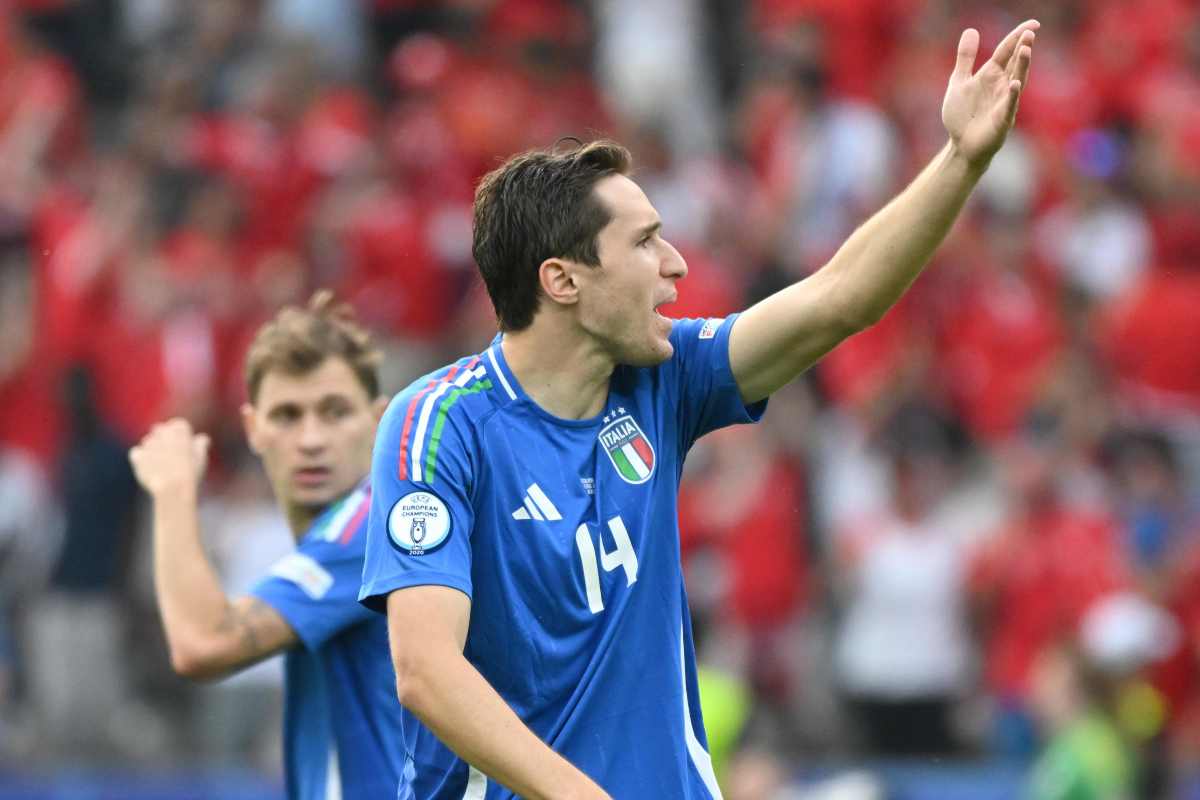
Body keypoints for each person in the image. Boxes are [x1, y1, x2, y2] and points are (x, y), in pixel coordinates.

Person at [360, 20, 1040, 799]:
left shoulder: (664, 378)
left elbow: (838, 299)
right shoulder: (439, 426)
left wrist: (961, 161)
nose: (677, 264)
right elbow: (425, 670)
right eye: (646, 243)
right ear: (563, 280)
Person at [129, 291, 407, 799]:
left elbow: (203, 643)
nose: (310, 439)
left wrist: (172, 491)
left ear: (379, 420)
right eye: (287, 415)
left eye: (335, 412)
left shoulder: (376, 527)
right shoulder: (336, 538)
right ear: (253, 429)